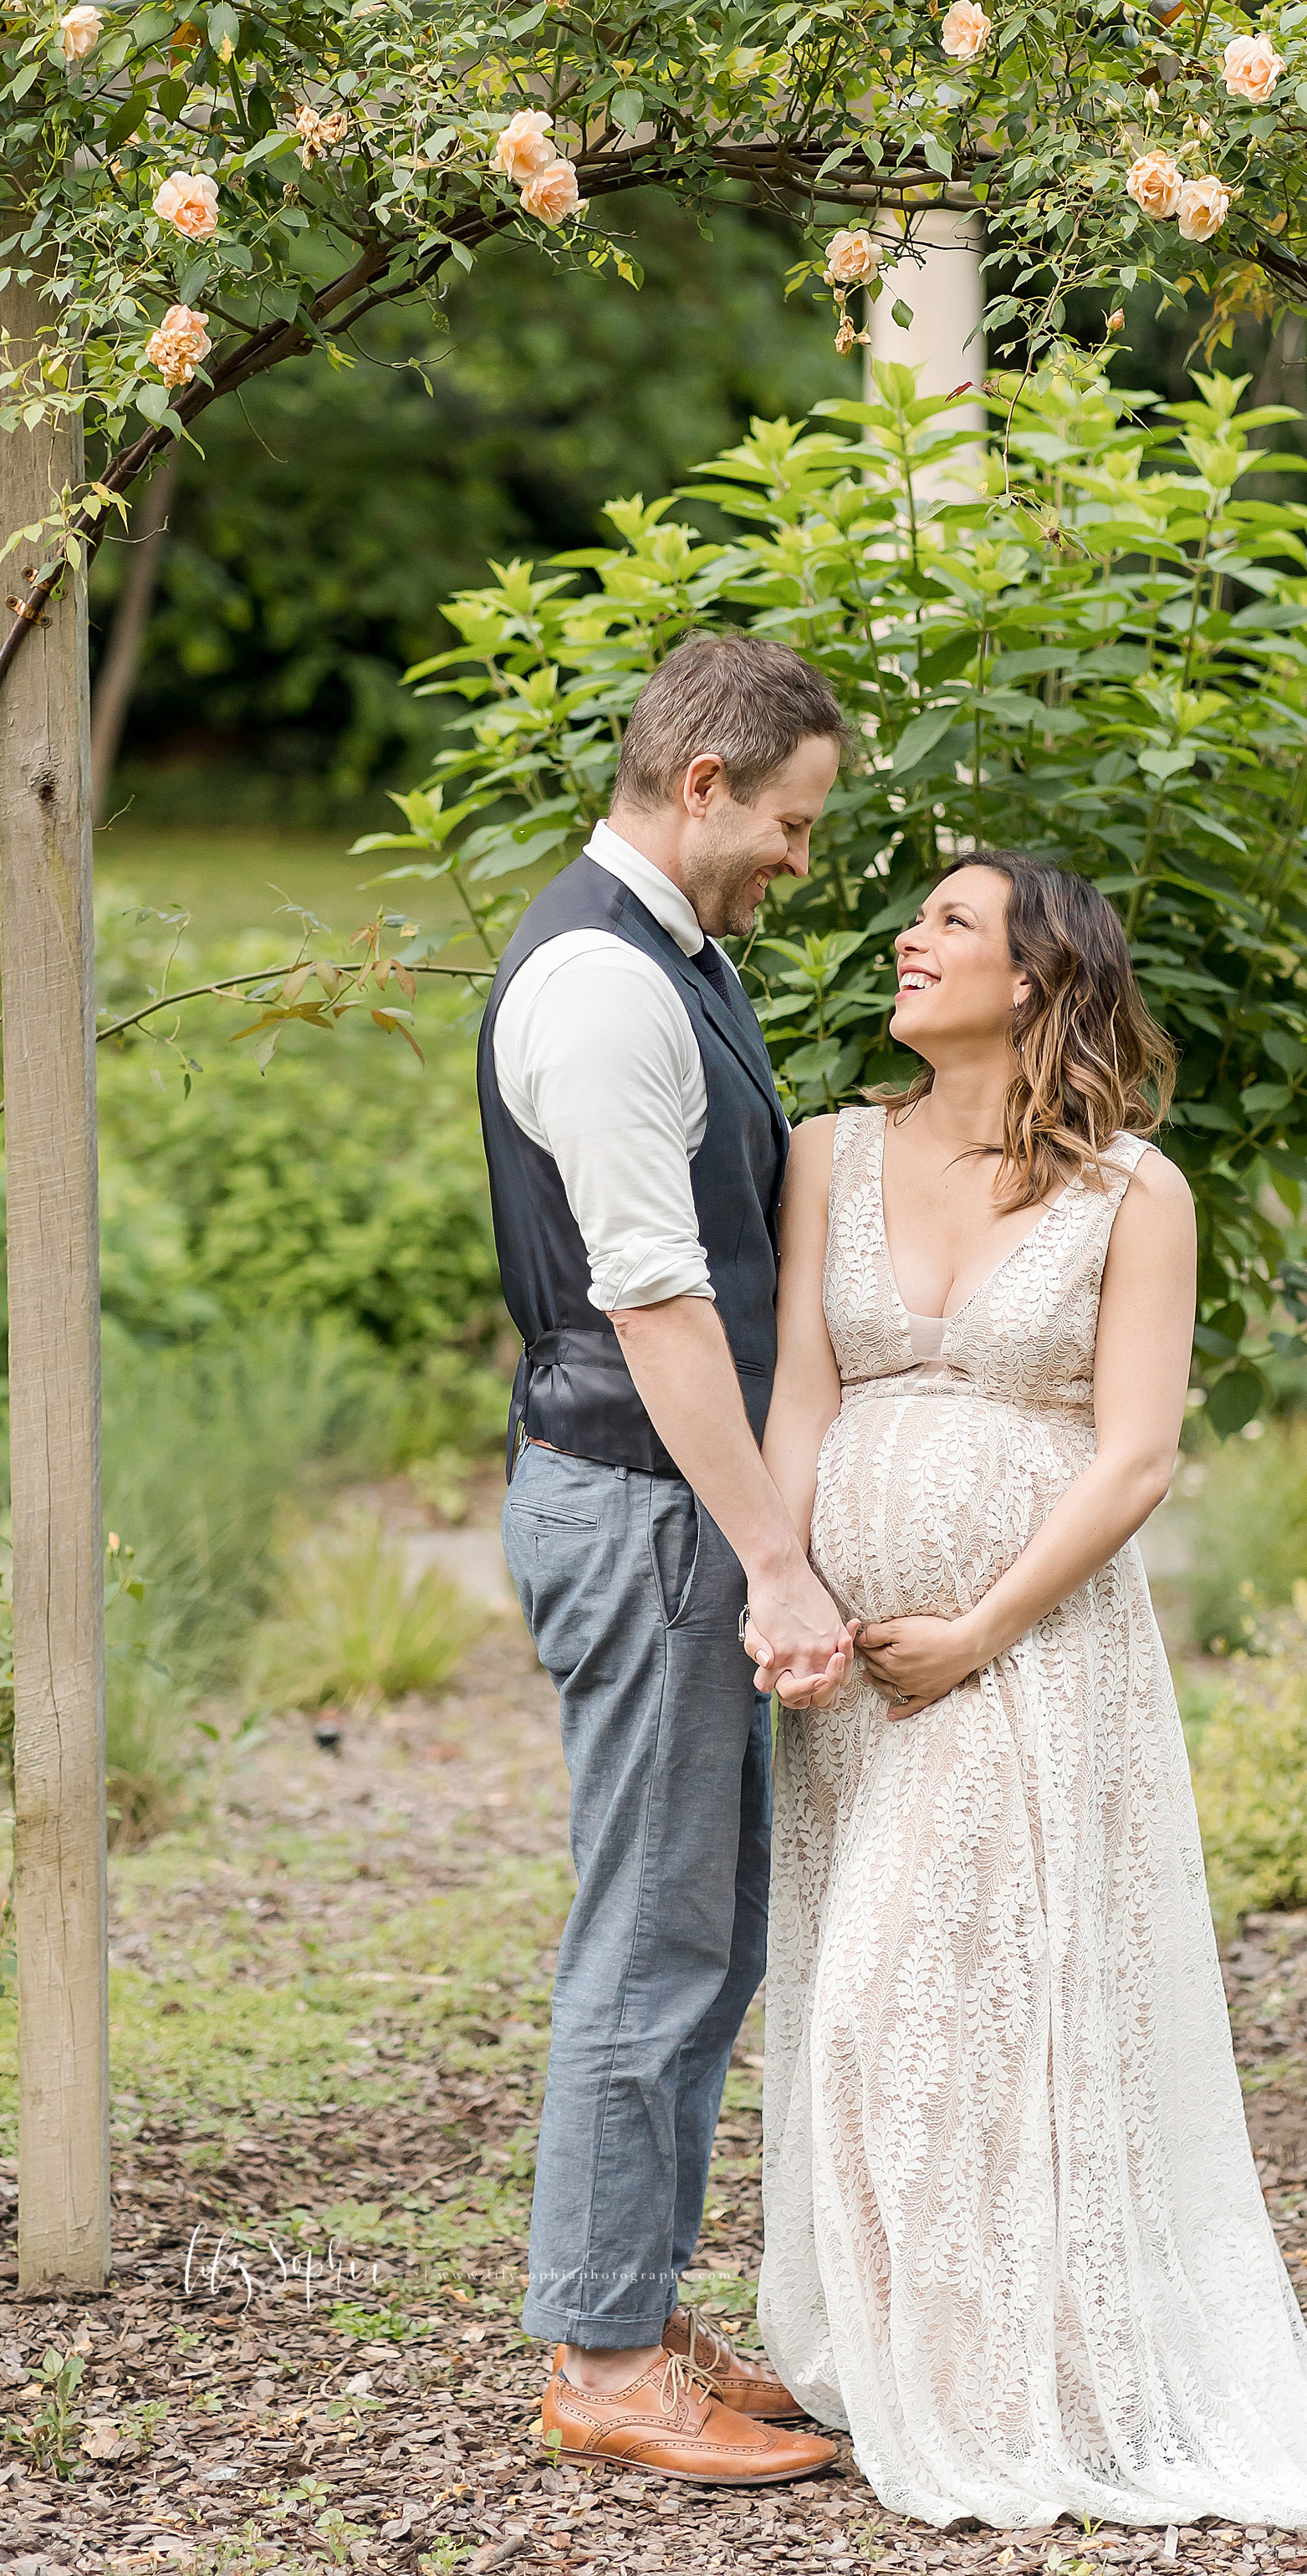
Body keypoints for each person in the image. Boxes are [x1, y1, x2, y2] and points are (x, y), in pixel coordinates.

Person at [751, 850, 1307, 2535]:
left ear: (1039, 979)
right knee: (874, 1999)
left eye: (950, 923)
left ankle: (997, 2382)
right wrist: (793, 1581)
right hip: (844, 1673)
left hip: (1021, 1659)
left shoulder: (1134, 1195)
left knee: (931, 2000)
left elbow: (1131, 1461)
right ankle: (909, 2353)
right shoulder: (830, 1150)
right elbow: (801, 1397)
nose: (908, 940)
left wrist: (975, 1628)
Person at [478, 633, 856, 2485]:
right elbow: (655, 1302)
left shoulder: (671, 962)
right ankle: (604, 2355)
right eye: (789, 821)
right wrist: (773, 1559)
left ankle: (627, 2297)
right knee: (650, 1942)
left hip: (661, 1512)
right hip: (651, 1515)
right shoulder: (604, 990)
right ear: (701, 784)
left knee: (698, 1943)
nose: (799, 858)